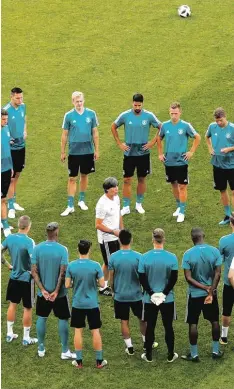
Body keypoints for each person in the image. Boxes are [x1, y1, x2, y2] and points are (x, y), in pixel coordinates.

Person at [109, 229, 158, 356]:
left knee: (124, 321)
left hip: (120, 296)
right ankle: (147, 343)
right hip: (137, 295)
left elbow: (111, 278)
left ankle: (129, 347)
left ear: (119, 240)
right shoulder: (139, 257)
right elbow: (143, 277)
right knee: (142, 319)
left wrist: (113, 291)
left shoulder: (113, 257)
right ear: (131, 240)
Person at [111, 93, 161, 216]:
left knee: (141, 179)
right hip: (129, 153)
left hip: (143, 153)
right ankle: (126, 206)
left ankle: (139, 204)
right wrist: (119, 144)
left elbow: (161, 127)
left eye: (139, 105)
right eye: (135, 105)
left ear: (142, 104)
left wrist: (152, 142)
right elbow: (113, 127)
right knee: (127, 179)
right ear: (132, 103)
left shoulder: (149, 116)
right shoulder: (125, 115)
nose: (137, 107)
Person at [31, 222, 75, 360]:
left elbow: (34, 271)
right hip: (59, 294)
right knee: (63, 319)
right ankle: (64, 351)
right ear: (56, 232)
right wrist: (56, 291)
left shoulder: (37, 249)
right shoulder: (63, 250)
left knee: (41, 318)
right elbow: (63, 273)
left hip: (42, 293)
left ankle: (41, 348)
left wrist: (43, 290)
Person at [181, 228, 223, 362]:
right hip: (211, 294)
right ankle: (215, 351)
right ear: (203, 236)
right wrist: (210, 290)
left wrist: (203, 287)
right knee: (215, 321)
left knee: (193, 323)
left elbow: (188, 278)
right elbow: (218, 273)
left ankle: (194, 354)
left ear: (192, 239)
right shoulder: (214, 251)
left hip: (194, 295)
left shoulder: (187, 254)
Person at [65, 239, 107, 369]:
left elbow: (67, 285)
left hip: (78, 304)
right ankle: (99, 361)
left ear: (78, 250)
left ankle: (79, 361)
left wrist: (76, 283)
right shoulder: (95, 266)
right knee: (95, 331)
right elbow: (102, 284)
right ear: (89, 250)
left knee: (78, 331)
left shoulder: (71, 265)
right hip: (92, 304)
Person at [139, 228, 178, 363]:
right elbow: (173, 279)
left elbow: (142, 279)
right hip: (168, 299)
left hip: (149, 299)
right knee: (168, 326)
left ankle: (149, 355)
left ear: (152, 240)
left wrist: (151, 294)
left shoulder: (144, 257)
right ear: (164, 239)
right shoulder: (172, 257)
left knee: (150, 326)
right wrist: (164, 294)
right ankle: (170, 354)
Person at [157, 102, 201, 223]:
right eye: (171, 113)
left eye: (175, 113)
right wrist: (160, 153)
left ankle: (182, 211)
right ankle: (178, 206)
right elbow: (158, 138)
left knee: (182, 186)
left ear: (180, 113)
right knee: (173, 184)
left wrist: (191, 152)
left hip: (182, 161)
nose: (173, 116)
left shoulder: (186, 126)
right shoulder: (165, 126)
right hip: (169, 161)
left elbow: (197, 137)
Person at [60, 91, 99, 216]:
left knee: (84, 175)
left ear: (84, 101)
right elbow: (64, 134)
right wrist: (62, 151)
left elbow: (95, 133)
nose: (79, 103)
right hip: (74, 152)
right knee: (72, 178)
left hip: (88, 151)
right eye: (77, 101)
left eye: (81, 101)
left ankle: (81, 200)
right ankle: (70, 205)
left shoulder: (91, 114)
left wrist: (97, 150)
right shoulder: (69, 116)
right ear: (73, 102)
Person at [1, 216, 37, 345]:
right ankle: (26, 338)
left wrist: (8, 265)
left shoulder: (10, 238)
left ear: (18, 225)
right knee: (27, 308)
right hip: (26, 279)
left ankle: (9, 334)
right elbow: (34, 261)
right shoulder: (29, 241)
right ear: (29, 226)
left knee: (12, 304)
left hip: (13, 278)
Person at [205, 108, 234, 225]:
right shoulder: (212, 127)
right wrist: (210, 148)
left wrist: (229, 149)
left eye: (220, 120)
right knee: (222, 189)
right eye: (217, 121)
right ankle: (227, 215)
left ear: (225, 117)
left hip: (232, 165)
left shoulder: (232, 128)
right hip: (217, 164)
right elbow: (207, 137)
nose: (219, 123)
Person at [95, 177, 123, 296]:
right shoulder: (102, 204)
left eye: (117, 186)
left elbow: (119, 214)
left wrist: (122, 231)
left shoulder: (116, 198)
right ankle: (104, 287)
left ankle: (101, 283)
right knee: (109, 263)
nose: (117, 189)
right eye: (114, 187)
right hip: (106, 239)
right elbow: (98, 224)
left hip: (116, 236)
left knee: (109, 262)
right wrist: (113, 231)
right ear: (107, 190)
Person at [3, 87, 27, 218]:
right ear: (12, 97)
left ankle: (13, 200)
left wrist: (25, 130)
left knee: (17, 174)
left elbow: (24, 119)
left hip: (21, 146)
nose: (20, 100)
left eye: (21, 97)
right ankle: (11, 206)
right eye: (18, 98)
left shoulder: (23, 107)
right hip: (11, 150)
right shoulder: (6, 110)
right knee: (11, 178)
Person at [219, 212, 234, 345]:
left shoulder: (224, 240)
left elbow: (220, 259)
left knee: (227, 310)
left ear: (231, 223)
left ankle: (224, 337)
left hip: (229, 283)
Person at [1, 109, 13, 237]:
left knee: (3, 198)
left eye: (6, 119)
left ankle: (3, 223)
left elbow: (7, 149)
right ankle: (4, 225)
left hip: (6, 168)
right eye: (3, 119)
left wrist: (11, 166)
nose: (5, 121)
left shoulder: (6, 129)